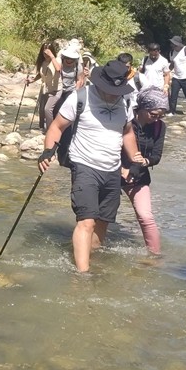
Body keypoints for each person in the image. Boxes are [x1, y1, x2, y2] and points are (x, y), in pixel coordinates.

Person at [38, 60, 145, 274]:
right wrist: (48, 151)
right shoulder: (80, 98)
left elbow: (127, 133)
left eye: (116, 91)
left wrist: (134, 160)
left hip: (112, 169)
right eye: (110, 90)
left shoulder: (125, 102)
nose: (113, 95)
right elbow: (57, 126)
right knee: (86, 221)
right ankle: (83, 276)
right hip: (84, 166)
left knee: (102, 222)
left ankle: (87, 258)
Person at [121, 88, 168, 255]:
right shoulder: (124, 119)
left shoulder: (159, 127)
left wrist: (145, 162)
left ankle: (154, 257)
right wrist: (122, 169)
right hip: (113, 171)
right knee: (99, 215)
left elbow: (156, 155)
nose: (156, 119)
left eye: (161, 116)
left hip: (139, 175)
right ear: (141, 107)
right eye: (153, 114)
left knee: (146, 216)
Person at [28, 41, 60, 131]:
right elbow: (41, 74)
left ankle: (50, 130)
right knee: (41, 109)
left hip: (55, 90)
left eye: (48, 52)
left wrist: (52, 56)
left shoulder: (57, 60)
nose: (46, 55)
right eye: (44, 52)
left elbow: (58, 69)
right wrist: (32, 80)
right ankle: (41, 128)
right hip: (45, 88)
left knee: (48, 110)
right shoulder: (43, 62)